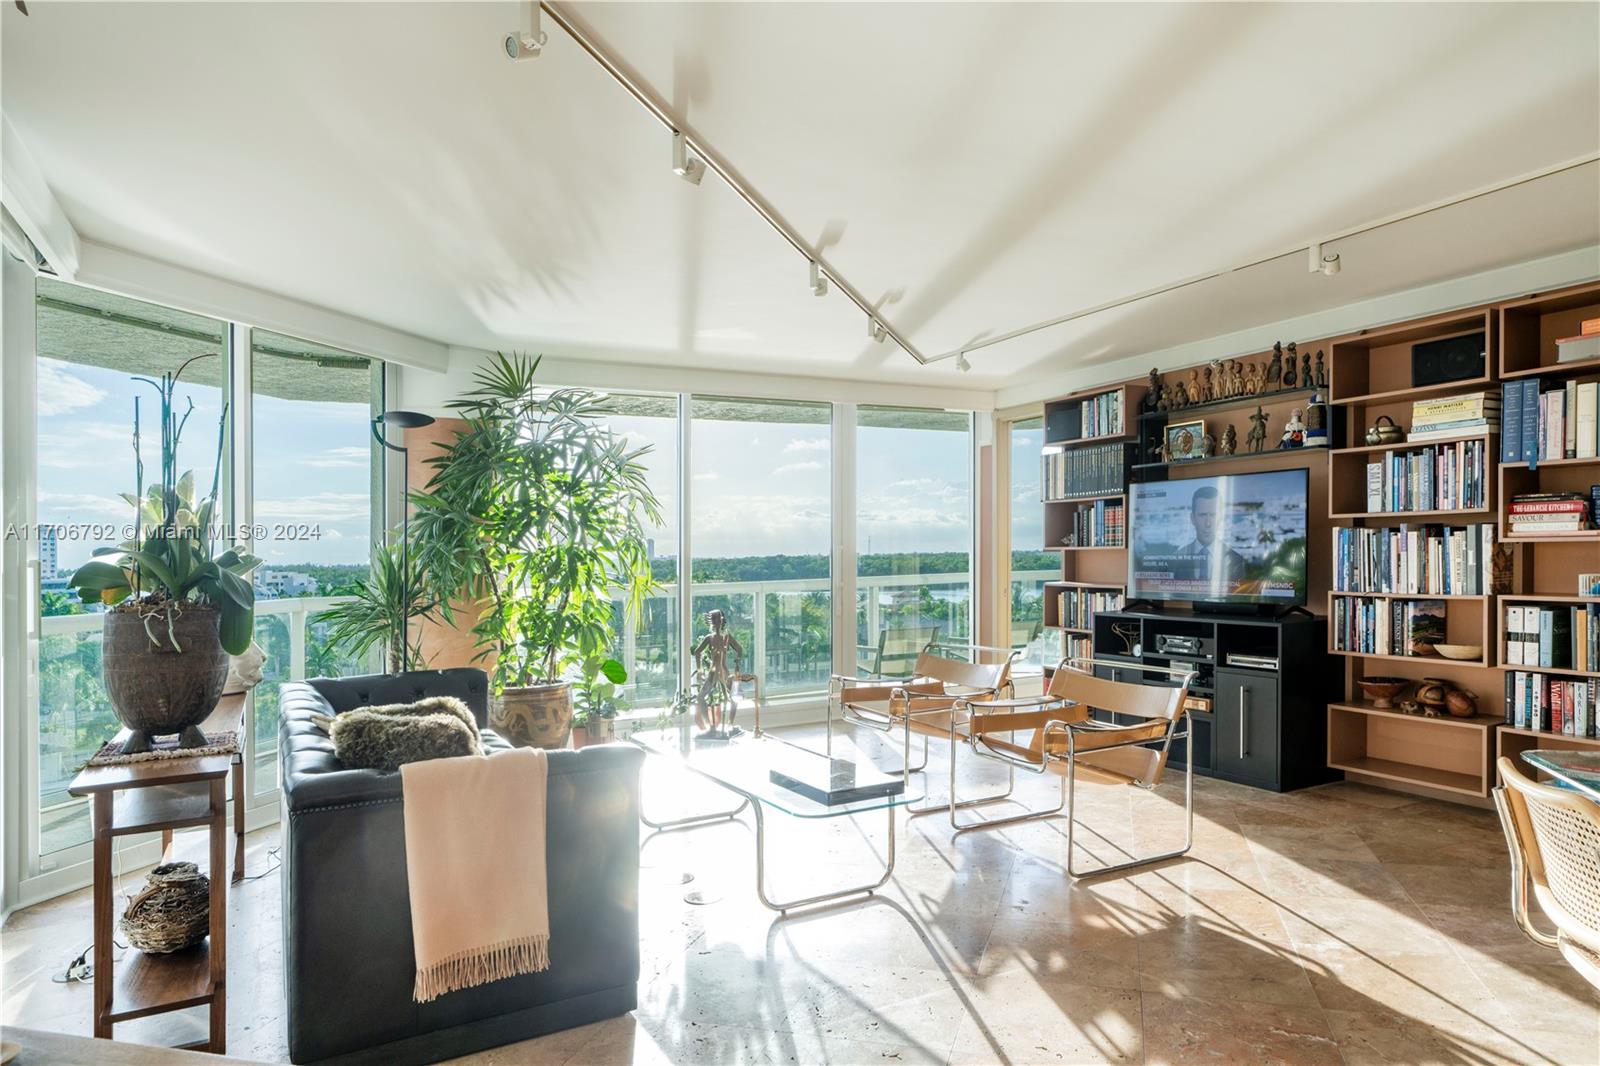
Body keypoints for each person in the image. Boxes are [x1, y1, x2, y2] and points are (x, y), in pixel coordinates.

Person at [1174, 485, 1247, 587]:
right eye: (1202, 515)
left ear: (1220, 518)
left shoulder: (1236, 560)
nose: (1208, 523)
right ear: (1192, 518)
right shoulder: (1176, 558)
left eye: (1213, 515)